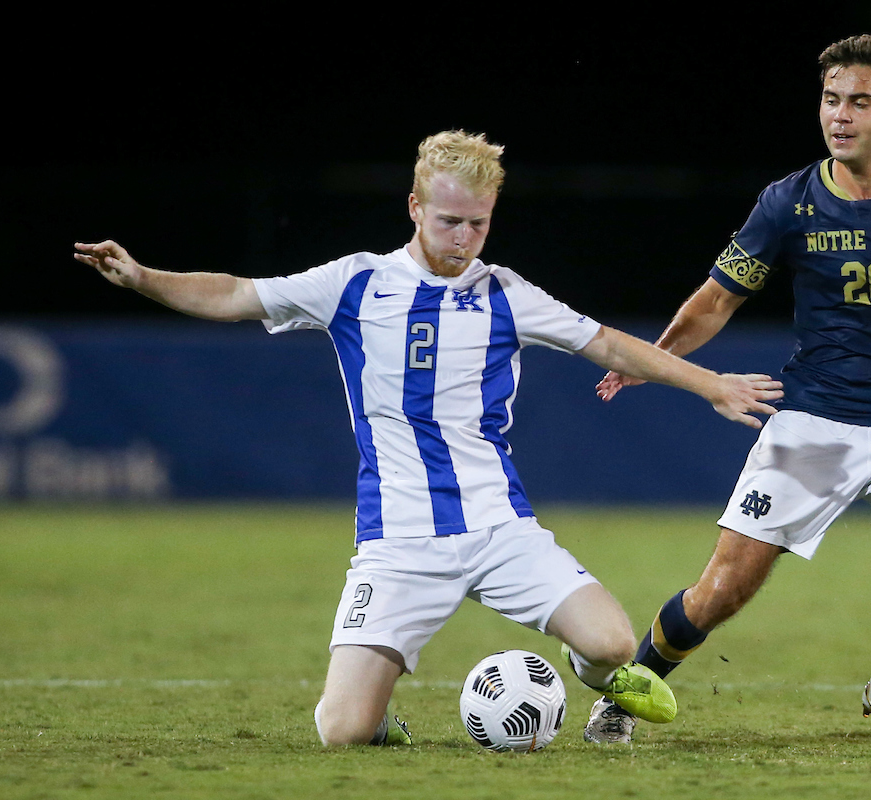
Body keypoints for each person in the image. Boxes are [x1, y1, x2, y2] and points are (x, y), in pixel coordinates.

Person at [73, 130, 783, 746]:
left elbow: (607, 344)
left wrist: (710, 383)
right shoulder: (354, 283)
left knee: (610, 644)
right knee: (340, 731)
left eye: (479, 224)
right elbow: (235, 294)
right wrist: (141, 278)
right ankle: (382, 724)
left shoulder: (505, 291)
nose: (464, 239)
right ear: (415, 208)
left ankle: (592, 677)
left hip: (500, 528)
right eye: (450, 222)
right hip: (398, 541)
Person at [586, 35, 871, 749]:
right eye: (832, 100)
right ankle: (627, 688)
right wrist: (656, 357)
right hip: (811, 424)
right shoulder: (790, 201)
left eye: (859, 101)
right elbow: (715, 301)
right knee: (721, 592)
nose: (840, 115)